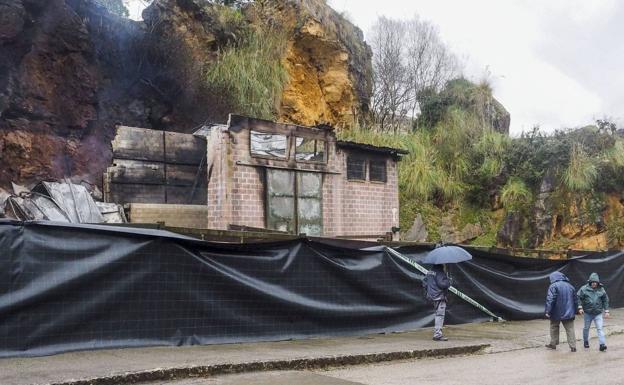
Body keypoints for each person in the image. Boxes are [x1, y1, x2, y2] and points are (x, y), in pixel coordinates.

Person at [544, 271, 578, 352]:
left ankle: (553, 344)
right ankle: (573, 347)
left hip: (556, 312)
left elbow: (550, 299)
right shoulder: (570, 286)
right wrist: (576, 310)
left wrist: (548, 311)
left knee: (554, 327)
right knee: (570, 329)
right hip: (569, 313)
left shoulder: (553, 286)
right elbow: (576, 300)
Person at [577, 272, 610, 352]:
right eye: (593, 282)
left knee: (600, 328)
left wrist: (606, 311)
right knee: (586, 328)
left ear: (598, 282)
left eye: (596, 282)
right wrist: (580, 307)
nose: (594, 284)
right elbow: (579, 297)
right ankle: (586, 341)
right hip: (588, 313)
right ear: (590, 282)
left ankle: (602, 344)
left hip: (598, 313)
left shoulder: (601, 289)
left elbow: (605, 300)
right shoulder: (584, 289)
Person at [425, 264, 451, 341]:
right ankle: (437, 335)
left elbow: (424, 283)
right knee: (440, 315)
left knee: (437, 314)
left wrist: (428, 292)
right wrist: (448, 281)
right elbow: (442, 284)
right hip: (439, 297)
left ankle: (437, 334)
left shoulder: (429, 272)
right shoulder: (439, 272)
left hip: (432, 296)